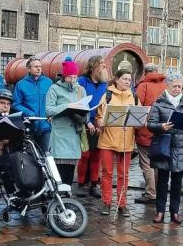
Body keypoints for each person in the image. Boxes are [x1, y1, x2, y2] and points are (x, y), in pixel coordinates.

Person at [147, 72, 183, 223]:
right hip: (164, 145)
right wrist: (161, 126)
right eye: (175, 86)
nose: (178, 89)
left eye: (180, 86)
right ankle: (160, 211)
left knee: (177, 182)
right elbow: (150, 124)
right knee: (162, 181)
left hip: (182, 146)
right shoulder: (159, 103)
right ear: (167, 85)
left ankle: (175, 212)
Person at [95, 69, 137, 217]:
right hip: (108, 139)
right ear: (117, 79)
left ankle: (122, 204)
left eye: (129, 80)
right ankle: (106, 202)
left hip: (127, 140)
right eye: (124, 79)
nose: (127, 82)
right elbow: (99, 117)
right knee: (107, 173)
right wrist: (100, 122)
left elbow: (138, 116)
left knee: (124, 175)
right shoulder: (107, 95)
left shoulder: (134, 96)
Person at [46, 57, 87, 185]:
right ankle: (57, 196)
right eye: (70, 77)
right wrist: (67, 106)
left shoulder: (80, 89)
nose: (72, 80)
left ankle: (67, 196)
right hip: (60, 134)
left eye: (75, 77)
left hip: (74, 133)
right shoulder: (54, 88)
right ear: (64, 76)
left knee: (69, 170)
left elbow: (86, 107)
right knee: (58, 170)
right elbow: (48, 110)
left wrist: (83, 115)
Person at [134, 63, 166, 204]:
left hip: (145, 129)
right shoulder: (165, 86)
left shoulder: (143, 86)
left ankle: (150, 193)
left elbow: (137, 109)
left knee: (146, 163)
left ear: (145, 73)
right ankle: (159, 191)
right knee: (158, 163)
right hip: (161, 129)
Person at [76, 55, 108, 197]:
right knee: (85, 154)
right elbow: (80, 103)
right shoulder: (82, 82)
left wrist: (102, 122)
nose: (104, 66)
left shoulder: (105, 84)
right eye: (101, 63)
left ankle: (94, 184)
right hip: (85, 121)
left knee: (97, 155)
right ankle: (82, 184)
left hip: (100, 123)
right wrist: (87, 121)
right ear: (93, 66)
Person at [13, 57, 52, 152]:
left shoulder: (49, 82)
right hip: (29, 126)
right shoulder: (21, 84)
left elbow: (54, 102)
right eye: (36, 67)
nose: (39, 69)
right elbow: (16, 104)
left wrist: (52, 114)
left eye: (40, 66)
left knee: (47, 155)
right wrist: (29, 113)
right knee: (31, 157)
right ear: (29, 69)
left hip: (46, 126)